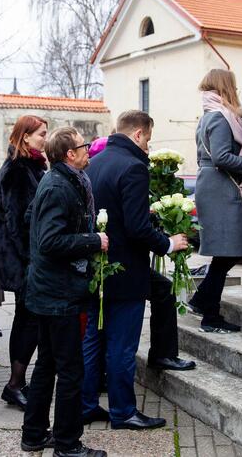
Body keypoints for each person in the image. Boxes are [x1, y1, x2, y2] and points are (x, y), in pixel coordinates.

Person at [82, 110, 188, 430]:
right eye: (148, 141)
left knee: (93, 340)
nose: (148, 149)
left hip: (96, 266)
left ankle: (86, 405)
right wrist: (168, 243)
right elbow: (138, 227)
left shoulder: (94, 162)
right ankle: (123, 411)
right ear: (139, 134)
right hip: (126, 269)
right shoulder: (133, 166)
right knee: (121, 345)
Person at [22, 127, 107, 457]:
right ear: (69, 154)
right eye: (83, 146)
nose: (88, 150)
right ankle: (68, 445)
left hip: (52, 288)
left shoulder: (65, 179)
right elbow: (50, 241)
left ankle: (33, 435)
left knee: (47, 364)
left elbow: (33, 219)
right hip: (58, 293)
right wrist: (92, 241)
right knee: (70, 370)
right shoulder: (58, 184)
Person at [186, 69, 242, 333]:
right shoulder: (219, 117)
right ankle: (209, 313)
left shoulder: (211, 115)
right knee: (228, 251)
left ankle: (203, 302)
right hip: (219, 188)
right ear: (227, 87)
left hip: (215, 186)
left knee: (228, 251)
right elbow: (221, 157)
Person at [0, 115, 48, 410]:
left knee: (29, 321)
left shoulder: (32, 166)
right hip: (23, 261)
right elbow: (17, 223)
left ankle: (18, 382)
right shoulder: (17, 168)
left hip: (27, 260)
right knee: (28, 322)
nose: (45, 138)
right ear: (25, 137)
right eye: (41, 133)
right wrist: (32, 262)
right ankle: (14, 384)